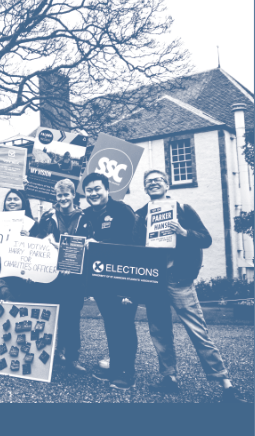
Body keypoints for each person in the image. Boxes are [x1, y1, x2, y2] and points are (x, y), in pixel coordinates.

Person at [130, 169, 248, 403]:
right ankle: (169, 379)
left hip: (178, 279)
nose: (153, 184)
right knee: (160, 332)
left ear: (167, 185)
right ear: (145, 188)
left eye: (158, 180)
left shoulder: (183, 210)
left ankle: (226, 384)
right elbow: (134, 248)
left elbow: (206, 239)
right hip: (153, 281)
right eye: (149, 182)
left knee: (198, 331)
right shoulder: (140, 214)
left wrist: (183, 232)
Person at [78, 172, 140, 390]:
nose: (93, 193)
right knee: (111, 325)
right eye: (89, 190)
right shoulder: (84, 215)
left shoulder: (122, 211)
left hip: (125, 279)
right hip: (100, 281)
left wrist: (99, 243)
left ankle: (126, 373)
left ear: (107, 190)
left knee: (124, 324)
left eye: (97, 189)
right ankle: (115, 369)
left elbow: (132, 242)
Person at [30, 178, 88, 374]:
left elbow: (89, 243)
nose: (63, 198)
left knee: (71, 318)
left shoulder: (84, 217)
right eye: (59, 195)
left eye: (66, 194)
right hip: (50, 276)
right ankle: (50, 354)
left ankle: (72, 357)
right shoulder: (47, 217)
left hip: (74, 277)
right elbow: (37, 239)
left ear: (73, 195)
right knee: (49, 316)